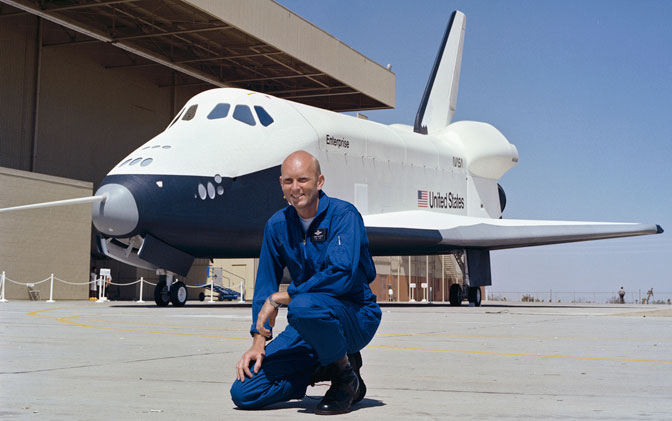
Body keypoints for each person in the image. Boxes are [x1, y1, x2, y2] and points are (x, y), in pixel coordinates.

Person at [231, 150, 381, 415]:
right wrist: (258, 339)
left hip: (355, 315)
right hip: (307, 322)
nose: (296, 188)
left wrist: (282, 298)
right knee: (245, 392)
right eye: (288, 181)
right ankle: (330, 363)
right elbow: (265, 283)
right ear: (281, 184)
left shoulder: (344, 216)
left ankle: (345, 380)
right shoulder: (277, 226)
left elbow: (342, 274)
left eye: (303, 179)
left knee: (303, 306)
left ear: (319, 181)